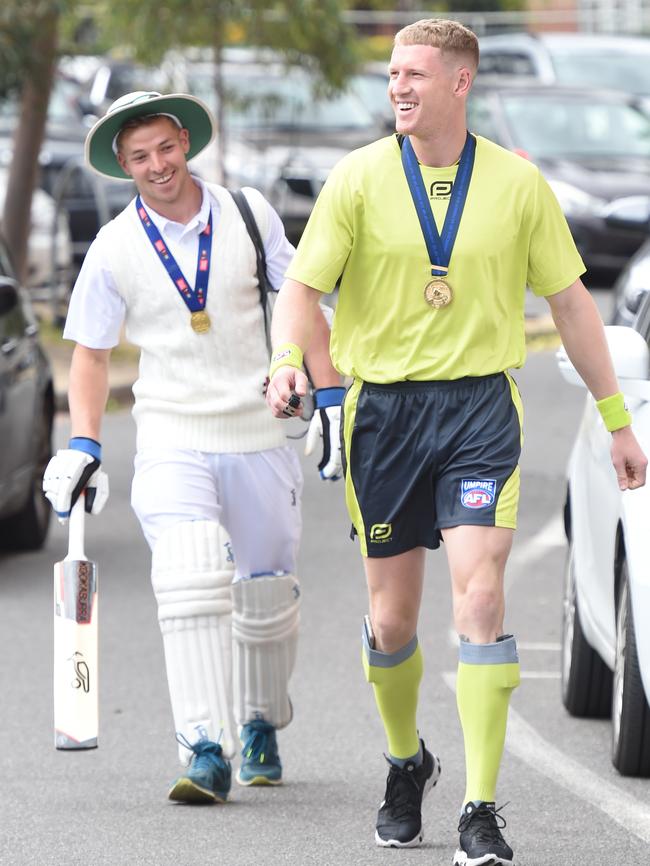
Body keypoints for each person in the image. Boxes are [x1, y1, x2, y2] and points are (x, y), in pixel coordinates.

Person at [266, 18, 647, 866]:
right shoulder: (359, 179)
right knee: (392, 620)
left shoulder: (516, 184)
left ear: (461, 83)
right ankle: (408, 763)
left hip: (479, 409)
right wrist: (291, 361)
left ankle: (480, 805)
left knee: (479, 600)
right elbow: (302, 292)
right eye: (393, 73)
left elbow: (574, 305)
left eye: (415, 75)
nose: (398, 87)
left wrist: (618, 419)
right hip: (384, 415)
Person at [42, 90, 344, 804]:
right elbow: (89, 353)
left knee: (264, 593)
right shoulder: (114, 247)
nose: (157, 166)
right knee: (189, 571)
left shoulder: (248, 213)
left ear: (186, 141)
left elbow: (301, 305)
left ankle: (262, 721)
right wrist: (83, 443)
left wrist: (329, 400)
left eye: (166, 149)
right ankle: (204, 746)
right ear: (123, 165)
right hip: (171, 432)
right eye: (140, 157)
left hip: (258, 428)